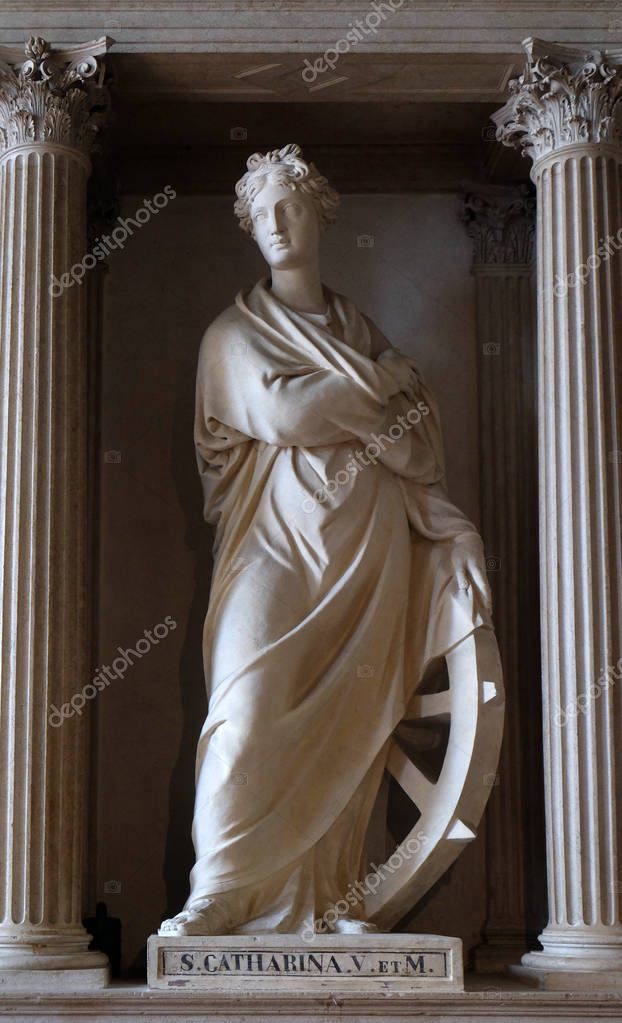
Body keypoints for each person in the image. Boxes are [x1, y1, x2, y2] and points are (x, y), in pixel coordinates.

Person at [159, 143, 491, 937]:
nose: (277, 223)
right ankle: (222, 888)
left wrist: (362, 397)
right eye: (263, 212)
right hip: (270, 553)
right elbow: (284, 415)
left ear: (319, 213)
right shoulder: (230, 337)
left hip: (364, 557)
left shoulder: (359, 330)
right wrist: (378, 387)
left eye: (292, 206)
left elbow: (417, 442)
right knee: (244, 711)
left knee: (353, 733)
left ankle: (333, 895)